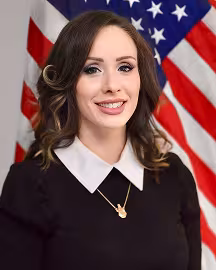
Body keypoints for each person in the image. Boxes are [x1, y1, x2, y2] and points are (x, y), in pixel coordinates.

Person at [0, 10, 201, 270]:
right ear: (68, 82)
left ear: (141, 78)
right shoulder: (29, 185)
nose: (112, 85)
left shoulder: (174, 175)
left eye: (125, 67)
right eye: (92, 69)